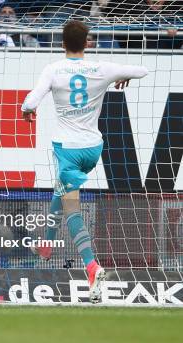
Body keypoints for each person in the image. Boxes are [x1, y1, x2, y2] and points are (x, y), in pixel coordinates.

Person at [20, 20, 148, 303]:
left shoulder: (53, 69)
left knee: (73, 210)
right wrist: (121, 77)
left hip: (67, 148)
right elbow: (142, 70)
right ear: (87, 42)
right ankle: (47, 242)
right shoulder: (102, 69)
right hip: (93, 148)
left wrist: (26, 109)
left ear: (62, 43)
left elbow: (31, 100)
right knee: (63, 188)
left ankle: (91, 266)